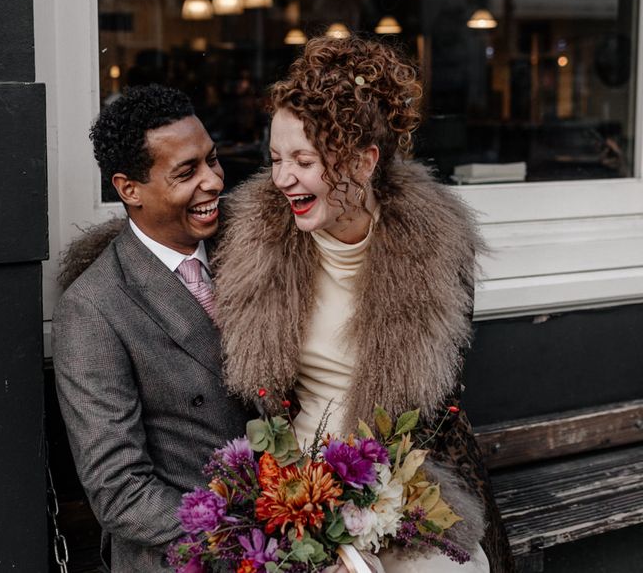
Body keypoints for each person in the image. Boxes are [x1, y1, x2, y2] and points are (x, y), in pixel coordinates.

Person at [214, 36, 513, 572]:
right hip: (292, 484)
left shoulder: (435, 250)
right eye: (276, 158)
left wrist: (366, 518)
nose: (283, 178)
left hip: (400, 478)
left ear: (363, 161)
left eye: (304, 160)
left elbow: (428, 417)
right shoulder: (255, 240)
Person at [52, 84, 254, 572]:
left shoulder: (253, 254)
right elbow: (120, 492)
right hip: (190, 554)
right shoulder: (93, 309)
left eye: (212, 160)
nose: (212, 182)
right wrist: (250, 535)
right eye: (186, 172)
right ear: (129, 190)